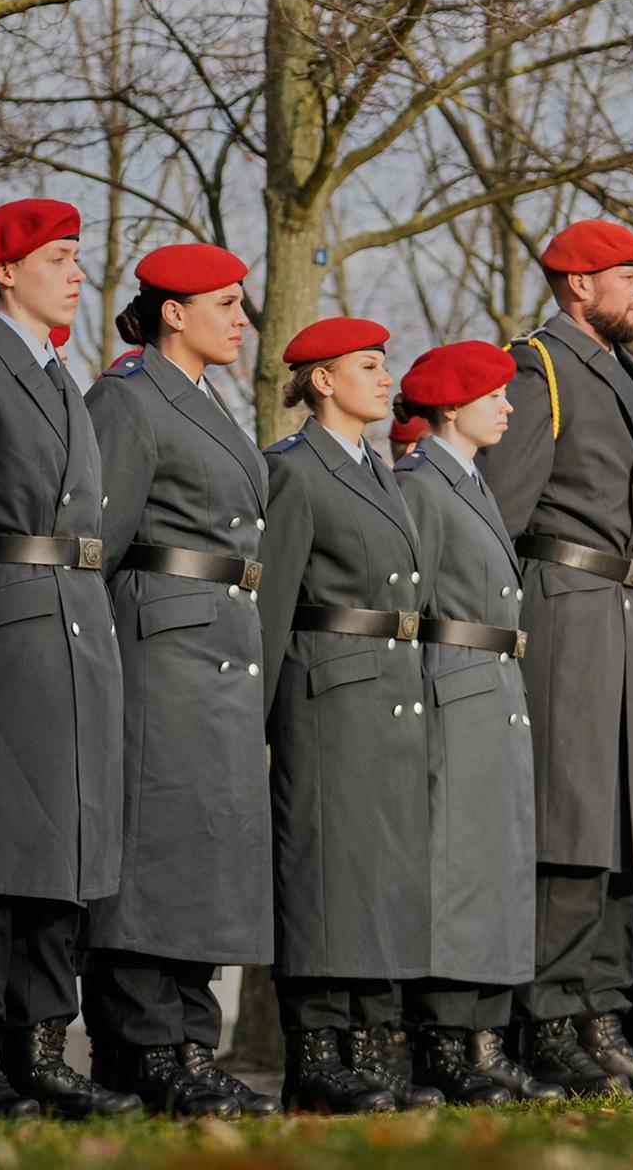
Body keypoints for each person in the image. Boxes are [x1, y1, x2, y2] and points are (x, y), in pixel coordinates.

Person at [0, 199, 139, 1119]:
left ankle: (42, 1045)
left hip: (77, 631)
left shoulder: (61, 378)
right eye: (58, 257)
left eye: (77, 256)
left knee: (65, 853)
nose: (78, 272)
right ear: (6, 273)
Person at [477, 218, 633, 1094]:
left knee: (628, 829)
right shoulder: (538, 368)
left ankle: (604, 1019)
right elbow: (499, 514)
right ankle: (551, 1023)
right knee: (570, 827)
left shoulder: (628, 374)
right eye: (630, 276)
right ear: (580, 284)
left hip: (629, 610)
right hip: (565, 609)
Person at [80, 244, 278, 1118]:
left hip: (222, 642)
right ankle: (144, 1049)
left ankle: (193, 1044)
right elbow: (100, 540)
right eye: (225, 304)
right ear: (172, 311)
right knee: (152, 852)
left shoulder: (213, 404)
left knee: (207, 853)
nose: (241, 319)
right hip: (155, 640)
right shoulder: (128, 396)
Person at [257, 318, 440, 1114]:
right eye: (367, 365)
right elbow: (271, 605)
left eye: (384, 363)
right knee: (326, 873)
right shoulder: (294, 471)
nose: (384, 377)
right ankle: (319, 1053)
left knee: (380, 875)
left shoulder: (380, 468)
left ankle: (371, 1044)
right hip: (326, 687)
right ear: (322, 380)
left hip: (391, 685)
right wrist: (256, 721)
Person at [392, 341, 558, 1105]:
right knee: (453, 868)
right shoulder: (421, 482)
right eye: (493, 393)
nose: (510, 404)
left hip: (494, 685)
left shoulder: (473, 483)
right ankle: (447, 1043)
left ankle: (486, 1041)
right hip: (450, 685)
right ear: (451, 406)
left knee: (492, 865)